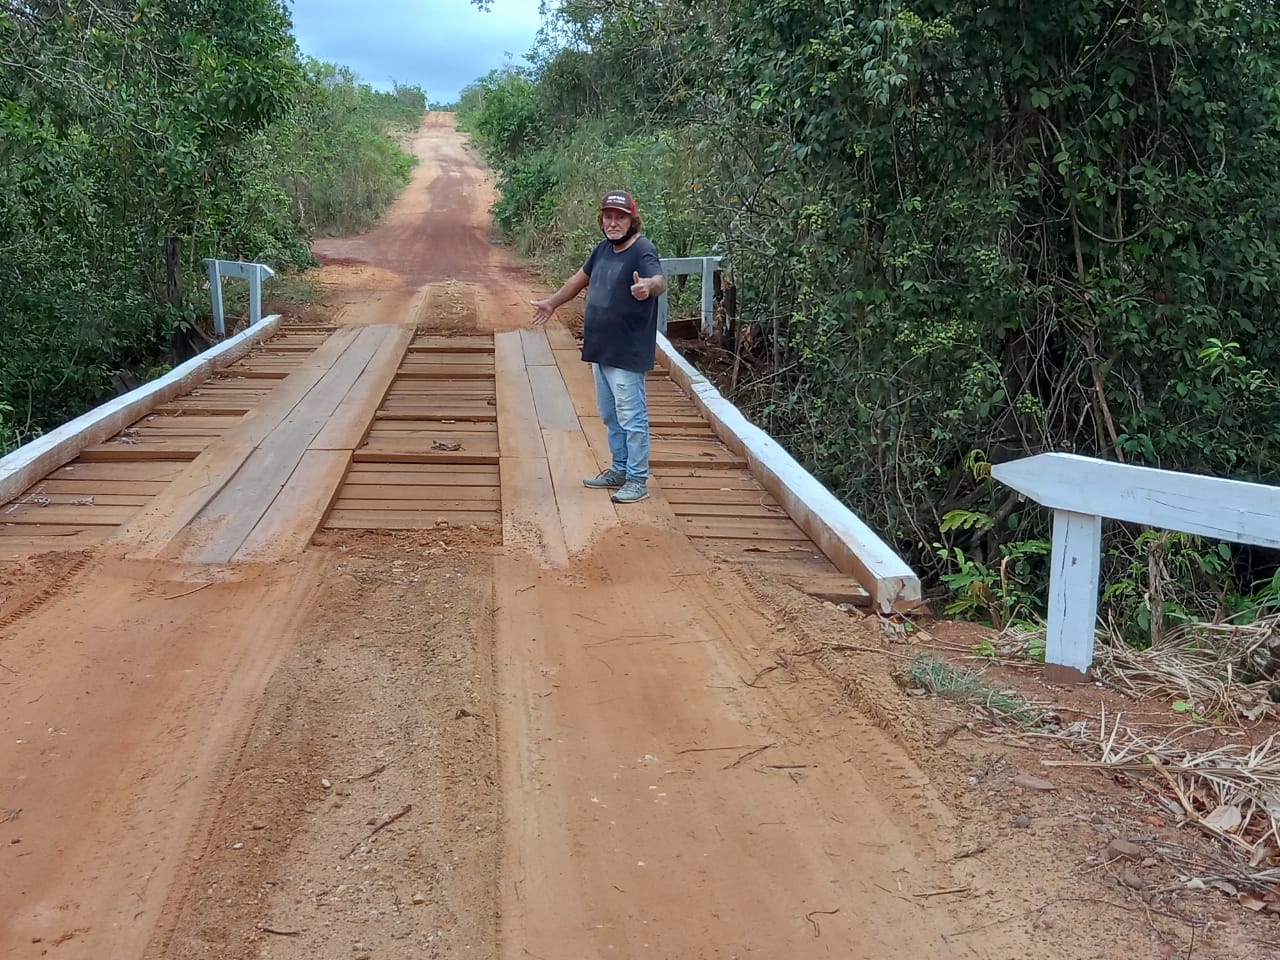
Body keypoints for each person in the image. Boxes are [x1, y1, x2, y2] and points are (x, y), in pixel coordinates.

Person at [531, 190, 667, 504]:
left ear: (633, 220)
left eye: (620, 217)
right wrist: (552, 303)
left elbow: (659, 280)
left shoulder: (642, 249)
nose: (613, 222)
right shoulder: (603, 249)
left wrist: (648, 286)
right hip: (601, 347)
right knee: (609, 414)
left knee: (632, 415)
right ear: (602, 219)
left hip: (627, 349)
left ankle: (637, 478)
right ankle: (619, 469)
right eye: (608, 216)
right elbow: (578, 280)